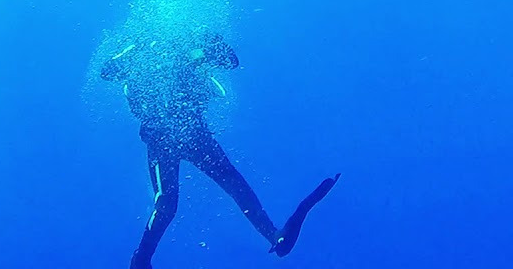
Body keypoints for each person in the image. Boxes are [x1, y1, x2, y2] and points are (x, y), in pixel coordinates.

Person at [100, 32, 339, 269]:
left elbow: (231, 60)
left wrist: (201, 52)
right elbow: (107, 71)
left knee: (222, 182)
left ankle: (274, 236)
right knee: (172, 200)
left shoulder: (195, 36)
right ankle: (142, 259)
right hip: (162, 134)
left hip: (190, 129)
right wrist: (139, 53)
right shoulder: (141, 44)